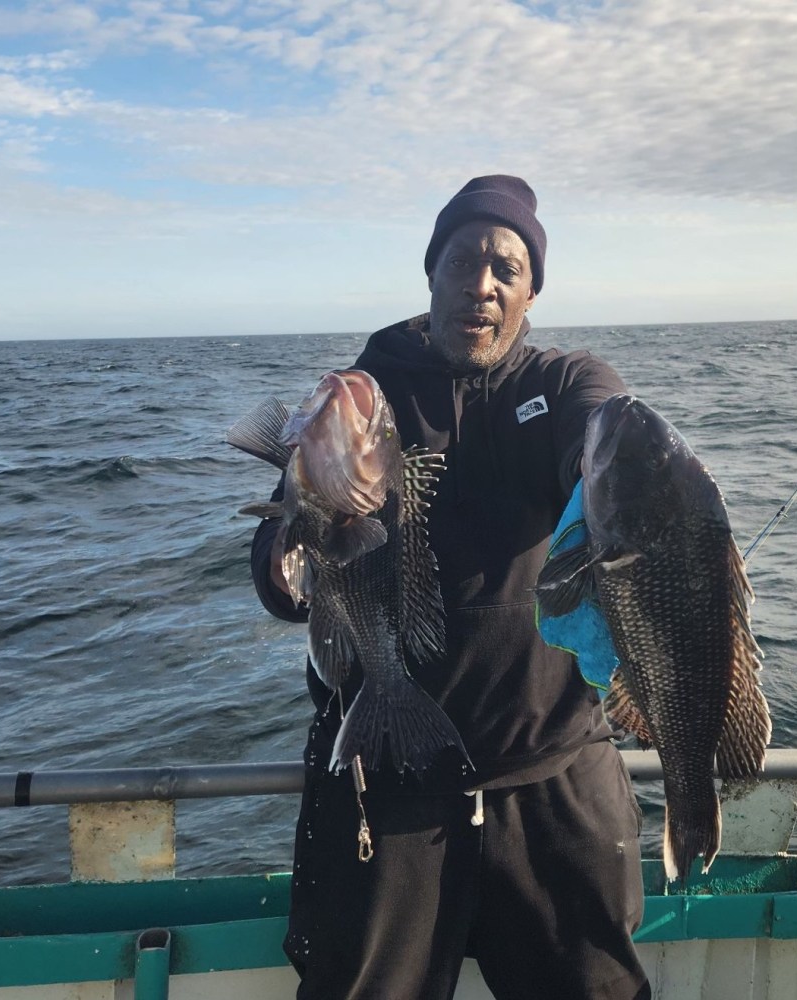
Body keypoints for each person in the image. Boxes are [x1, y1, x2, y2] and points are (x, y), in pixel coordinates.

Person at [250, 175, 650, 1000]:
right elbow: (281, 577)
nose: (482, 283)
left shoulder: (569, 382)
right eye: (463, 260)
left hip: (553, 781)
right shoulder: (362, 395)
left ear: (532, 290)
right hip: (381, 780)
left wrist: (635, 476)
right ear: (430, 273)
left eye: (507, 266)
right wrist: (294, 539)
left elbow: (606, 427)